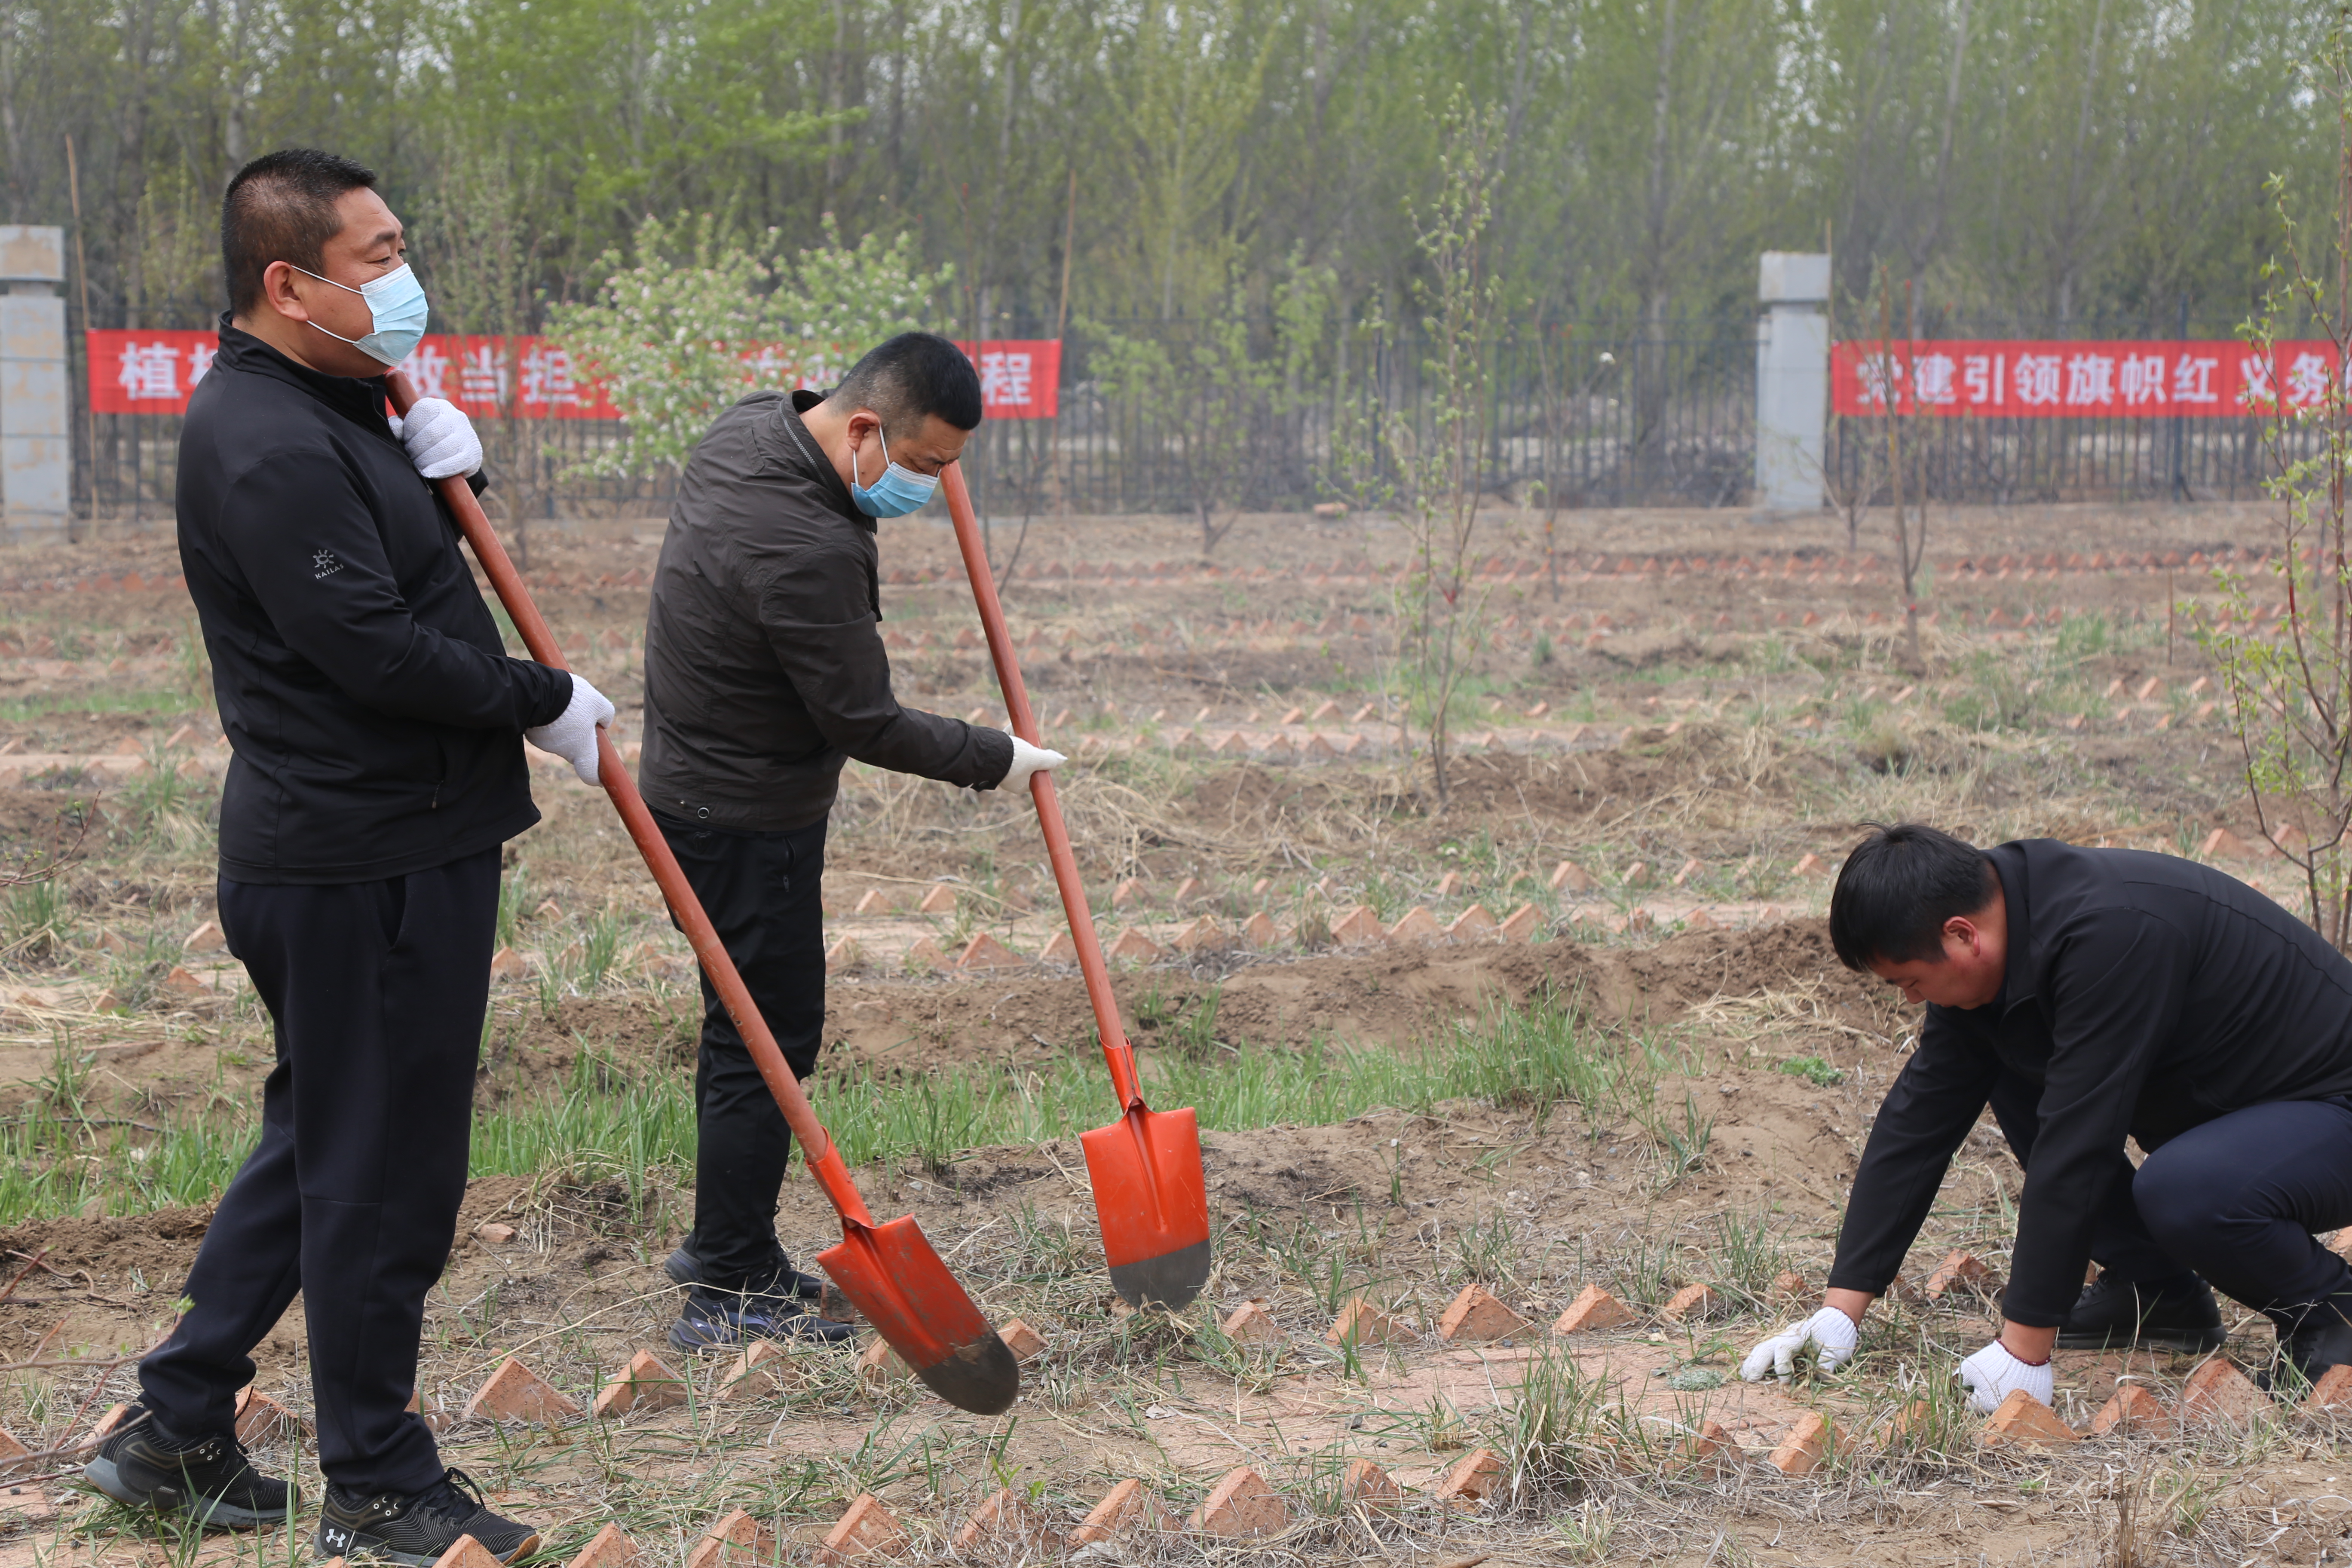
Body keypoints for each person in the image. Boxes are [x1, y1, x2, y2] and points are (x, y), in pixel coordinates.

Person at [85, 148, 612, 1562]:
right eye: (376, 255)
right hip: (354, 858)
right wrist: (540, 699)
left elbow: (412, 563)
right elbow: (373, 648)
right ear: (288, 280)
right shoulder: (261, 440)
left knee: (324, 1143)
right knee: (382, 1173)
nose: (401, 275)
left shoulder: (345, 400)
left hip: (392, 839)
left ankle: (177, 1427)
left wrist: (453, 458)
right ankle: (377, 1482)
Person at [638, 331, 1063, 1353]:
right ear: (865, 428)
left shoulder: (752, 429)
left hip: (702, 782)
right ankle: (729, 1287)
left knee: (746, 1025)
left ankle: (720, 1245)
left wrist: (927, 459)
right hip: (742, 814)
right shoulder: (805, 547)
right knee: (769, 1036)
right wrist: (994, 757)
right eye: (924, 467)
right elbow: (863, 721)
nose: (930, 490)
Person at [1742, 823, 2352, 1414]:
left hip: (2335, 1110)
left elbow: (2079, 1139)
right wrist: (1839, 1311)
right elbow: (1918, 1122)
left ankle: (2335, 1313)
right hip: (2258, 1113)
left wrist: (2024, 1352)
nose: (1911, 999)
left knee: (2187, 1189)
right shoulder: (1997, 945)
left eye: (1910, 981)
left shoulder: (2112, 933)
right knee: (2012, 1059)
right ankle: (2156, 1293)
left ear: (1961, 937)